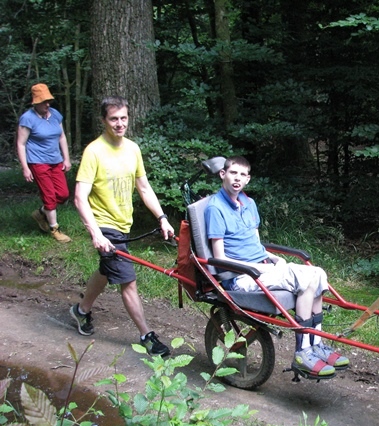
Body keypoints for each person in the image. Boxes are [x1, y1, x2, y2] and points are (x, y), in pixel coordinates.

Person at [204, 156, 349, 377]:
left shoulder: (249, 204)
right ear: (223, 174)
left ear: (248, 179)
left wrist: (271, 258)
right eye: (233, 173)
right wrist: (259, 268)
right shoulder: (215, 208)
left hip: (261, 267)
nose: (237, 179)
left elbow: (255, 244)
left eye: (243, 175)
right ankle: (303, 352)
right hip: (241, 277)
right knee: (306, 278)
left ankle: (316, 344)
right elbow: (219, 257)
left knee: (319, 274)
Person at [70, 96, 174, 357]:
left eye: (123, 118)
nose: (119, 123)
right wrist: (95, 232)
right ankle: (146, 335)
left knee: (107, 270)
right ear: (104, 120)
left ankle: (81, 311)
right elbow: (79, 197)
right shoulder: (94, 151)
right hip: (104, 225)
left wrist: (162, 217)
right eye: (114, 119)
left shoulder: (132, 149)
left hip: (123, 223)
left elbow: (143, 187)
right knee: (127, 279)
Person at [16, 83, 72, 243]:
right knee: (49, 196)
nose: (47, 104)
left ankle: (41, 213)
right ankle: (55, 229)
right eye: (43, 101)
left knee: (62, 195)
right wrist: (25, 167)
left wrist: (66, 158)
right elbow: (21, 144)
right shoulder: (27, 118)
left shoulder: (55, 114)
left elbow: (61, 137)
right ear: (35, 102)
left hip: (56, 161)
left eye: (48, 100)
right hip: (38, 162)